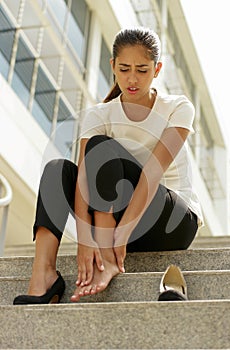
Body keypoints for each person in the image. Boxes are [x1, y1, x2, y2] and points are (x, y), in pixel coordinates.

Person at [13, 27, 203, 305]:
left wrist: (118, 236)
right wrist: (84, 240)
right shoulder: (99, 114)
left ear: (157, 69)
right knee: (58, 169)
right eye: (124, 69)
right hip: (116, 225)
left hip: (169, 222)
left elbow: (152, 172)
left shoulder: (178, 108)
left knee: (103, 147)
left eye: (142, 70)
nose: (132, 79)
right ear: (112, 65)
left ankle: (108, 260)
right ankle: (44, 276)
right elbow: (82, 180)